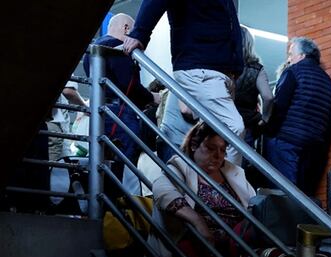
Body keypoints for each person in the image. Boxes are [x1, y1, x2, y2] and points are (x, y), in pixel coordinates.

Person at [139, 121, 255, 257]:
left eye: (222, 150)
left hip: (235, 240)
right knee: (189, 247)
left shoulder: (233, 172)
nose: (218, 156)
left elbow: (253, 204)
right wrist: (197, 220)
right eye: (210, 148)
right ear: (194, 145)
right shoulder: (179, 166)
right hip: (198, 240)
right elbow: (162, 191)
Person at [122, 0, 246, 164]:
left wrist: (236, 66)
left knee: (210, 138)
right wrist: (139, 33)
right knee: (234, 128)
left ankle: (206, 185)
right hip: (201, 67)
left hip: (220, 71)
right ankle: (223, 187)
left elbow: (230, 22)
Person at [83, 13, 156, 181]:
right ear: (126, 29)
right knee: (124, 165)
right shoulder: (117, 49)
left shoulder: (92, 52)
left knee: (103, 162)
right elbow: (129, 85)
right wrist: (152, 97)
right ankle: (121, 203)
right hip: (120, 115)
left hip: (100, 113)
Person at [264, 36, 331, 196]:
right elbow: (329, 125)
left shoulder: (293, 72)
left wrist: (269, 132)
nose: (289, 60)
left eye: (291, 54)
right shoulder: (330, 84)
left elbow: (280, 106)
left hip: (287, 142)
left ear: (302, 56)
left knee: (283, 194)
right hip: (314, 149)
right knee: (304, 196)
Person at [233, 27, 273, 148]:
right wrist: (265, 119)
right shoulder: (257, 69)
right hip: (247, 125)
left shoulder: (223, 65)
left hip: (222, 122)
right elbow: (268, 97)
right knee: (241, 163)